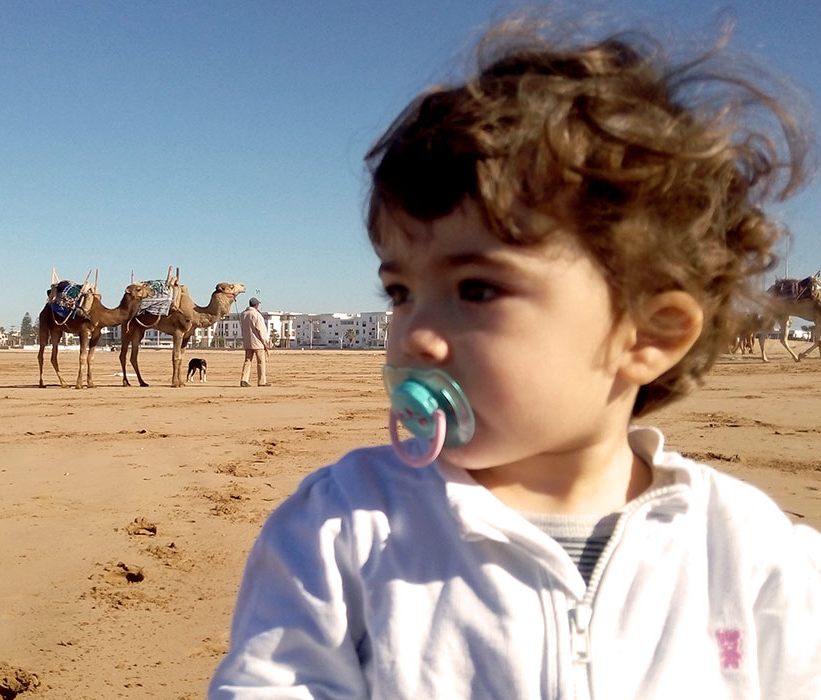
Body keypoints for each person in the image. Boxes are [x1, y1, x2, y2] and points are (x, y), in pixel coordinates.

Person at [210, 9, 820, 700]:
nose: (413, 333)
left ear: (647, 336)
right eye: (400, 290)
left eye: (476, 288)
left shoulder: (750, 557)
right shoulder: (343, 531)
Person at [239, 297, 270, 387]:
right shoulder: (256, 315)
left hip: (248, 342)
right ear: (256, 305)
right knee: (261, 362)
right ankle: (262, 381)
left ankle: (244, 379)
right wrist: (264, 342)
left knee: (247, 361)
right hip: (258, 342)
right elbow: (259, 329)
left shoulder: (243, 314)